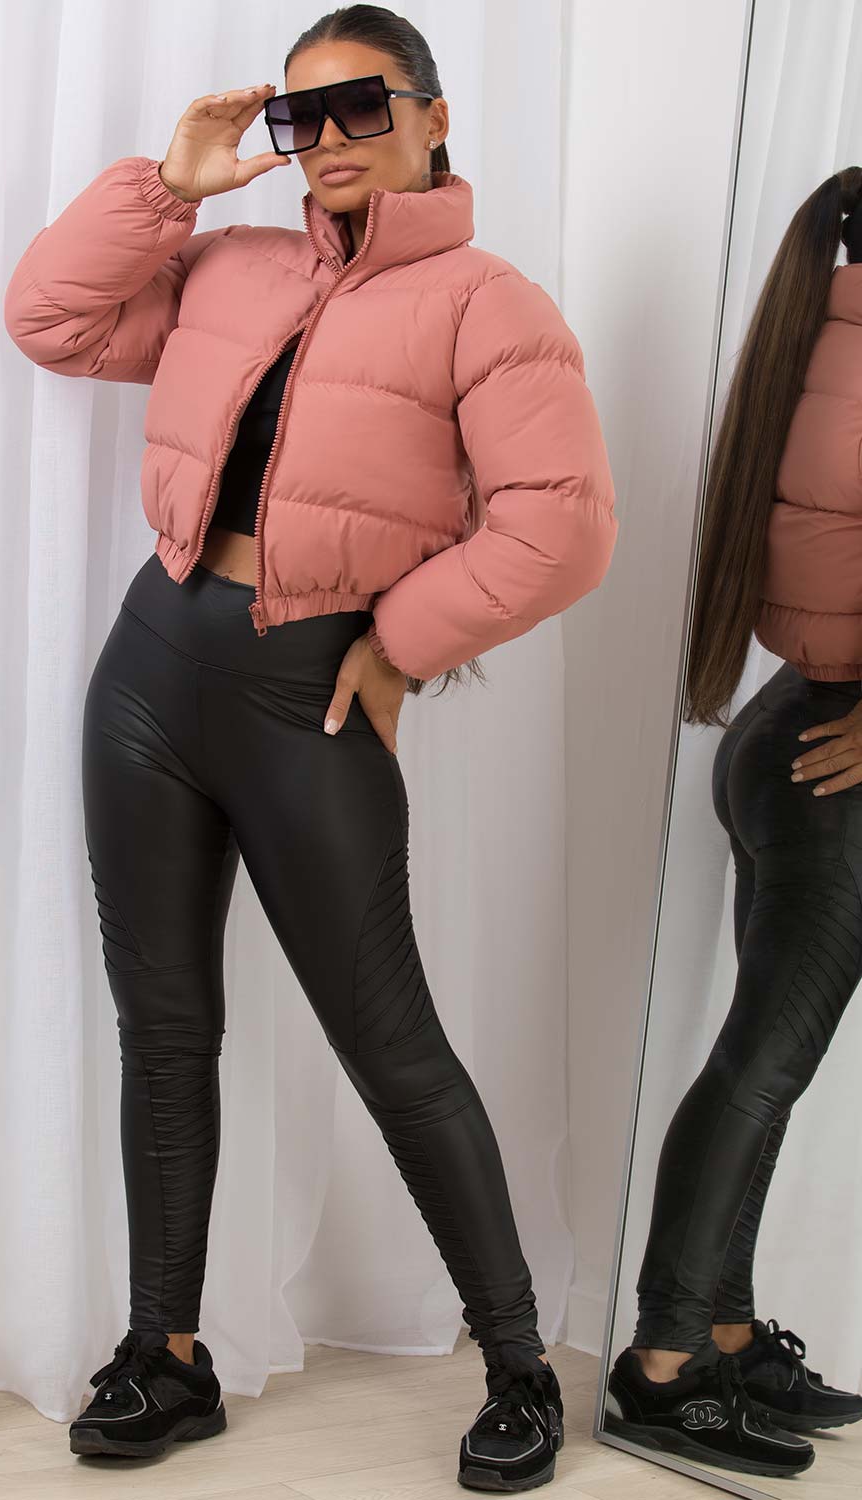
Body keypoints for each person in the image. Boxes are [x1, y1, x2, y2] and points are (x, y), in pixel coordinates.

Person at [3, 5, 617, 1484]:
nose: (327, 139)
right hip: (151, 673)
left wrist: (400, 644)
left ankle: (519, 1368)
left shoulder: (491, 306)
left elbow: (562, 530)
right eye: (299, 116)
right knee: (164, 1029)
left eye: (360, 106)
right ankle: (168, 1356)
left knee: (390, 1043)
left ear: (432, 117)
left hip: (306, 698)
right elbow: (52, 322)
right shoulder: (231, 265)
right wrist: (168, 186)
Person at [607, 171, 862, 1481]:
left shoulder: (816, 332)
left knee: (763, 1066)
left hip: (786, 730)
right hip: (837, 765)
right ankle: (661, 1370)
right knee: (763, 1067)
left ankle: (722, 1329)